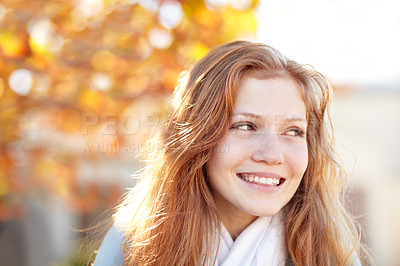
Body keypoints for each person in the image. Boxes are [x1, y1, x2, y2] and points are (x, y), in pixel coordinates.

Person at [93, 41, 372, 265]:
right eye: (246, 126)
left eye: (293, 131)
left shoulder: (328, 249)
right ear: (197, 139)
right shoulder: (135, 244)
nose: (273, 155)